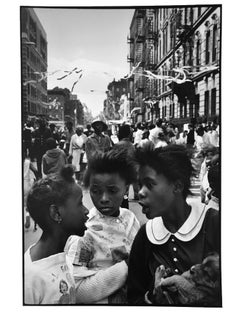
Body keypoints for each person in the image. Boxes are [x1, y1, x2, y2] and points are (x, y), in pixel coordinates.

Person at [127, 143, 220, 305]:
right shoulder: (145, 235)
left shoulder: (214, 223)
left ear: (177, 186)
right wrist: (154, 297)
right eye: (140, 184)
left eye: (149, 184)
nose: (140, 192)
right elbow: (134, 295)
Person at [66, 148, 140, 304]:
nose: (104, 198)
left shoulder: (130, 218)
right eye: (96, 191)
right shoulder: (85, 232)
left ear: (126, 189)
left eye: (112, 190)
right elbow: (76, 290)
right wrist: (126, 267)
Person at [24, 165, 89, 304]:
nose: (86, 210)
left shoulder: (62, 255)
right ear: (56, 213)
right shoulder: (30, 278)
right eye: (79, 203)